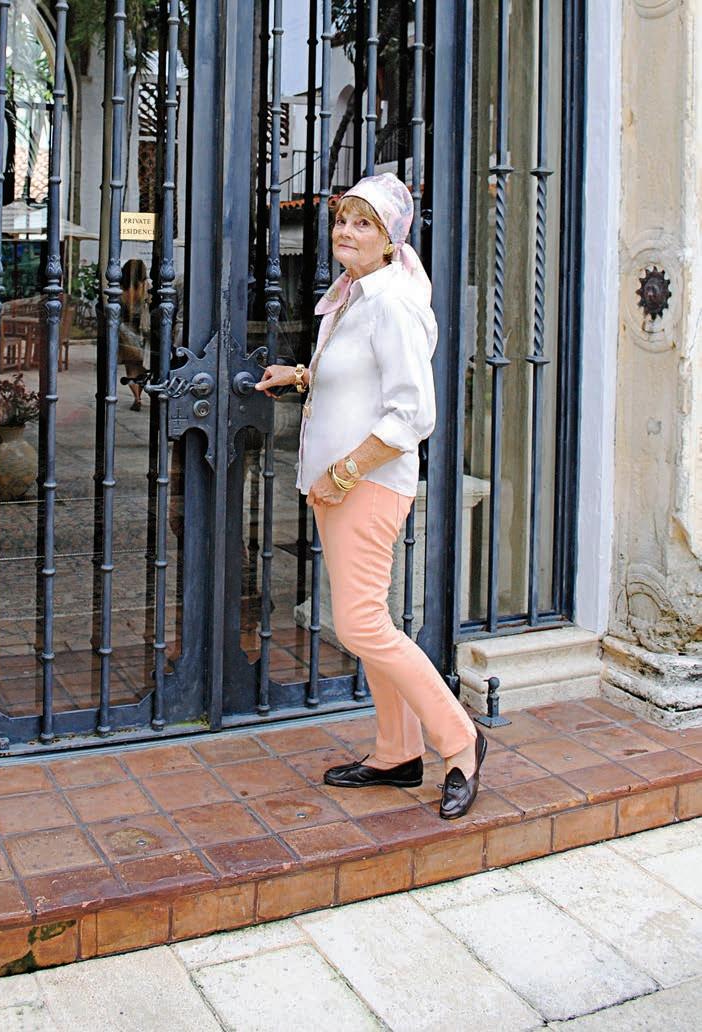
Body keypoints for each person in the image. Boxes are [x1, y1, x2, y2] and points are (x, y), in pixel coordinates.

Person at [256, 172, 486, 820]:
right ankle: (396, 752)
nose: (346, 231)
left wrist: (346, 473)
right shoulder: (354, 296)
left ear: (390, 240)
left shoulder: (392, 303)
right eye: (342, 220)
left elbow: (412, 414)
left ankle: (460, 740)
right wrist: (302, 375)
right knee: (371, 622)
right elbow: (360, 377)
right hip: (340, 488)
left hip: (365, 486)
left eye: (364, 223)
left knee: (360, 625)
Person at [119, 258, 150, 411]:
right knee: (142, 368)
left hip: (126, 331)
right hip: (143, 332)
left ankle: (136, 397)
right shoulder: (145, 287)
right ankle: (139, 394)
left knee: (130, 368)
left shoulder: (121, 290)